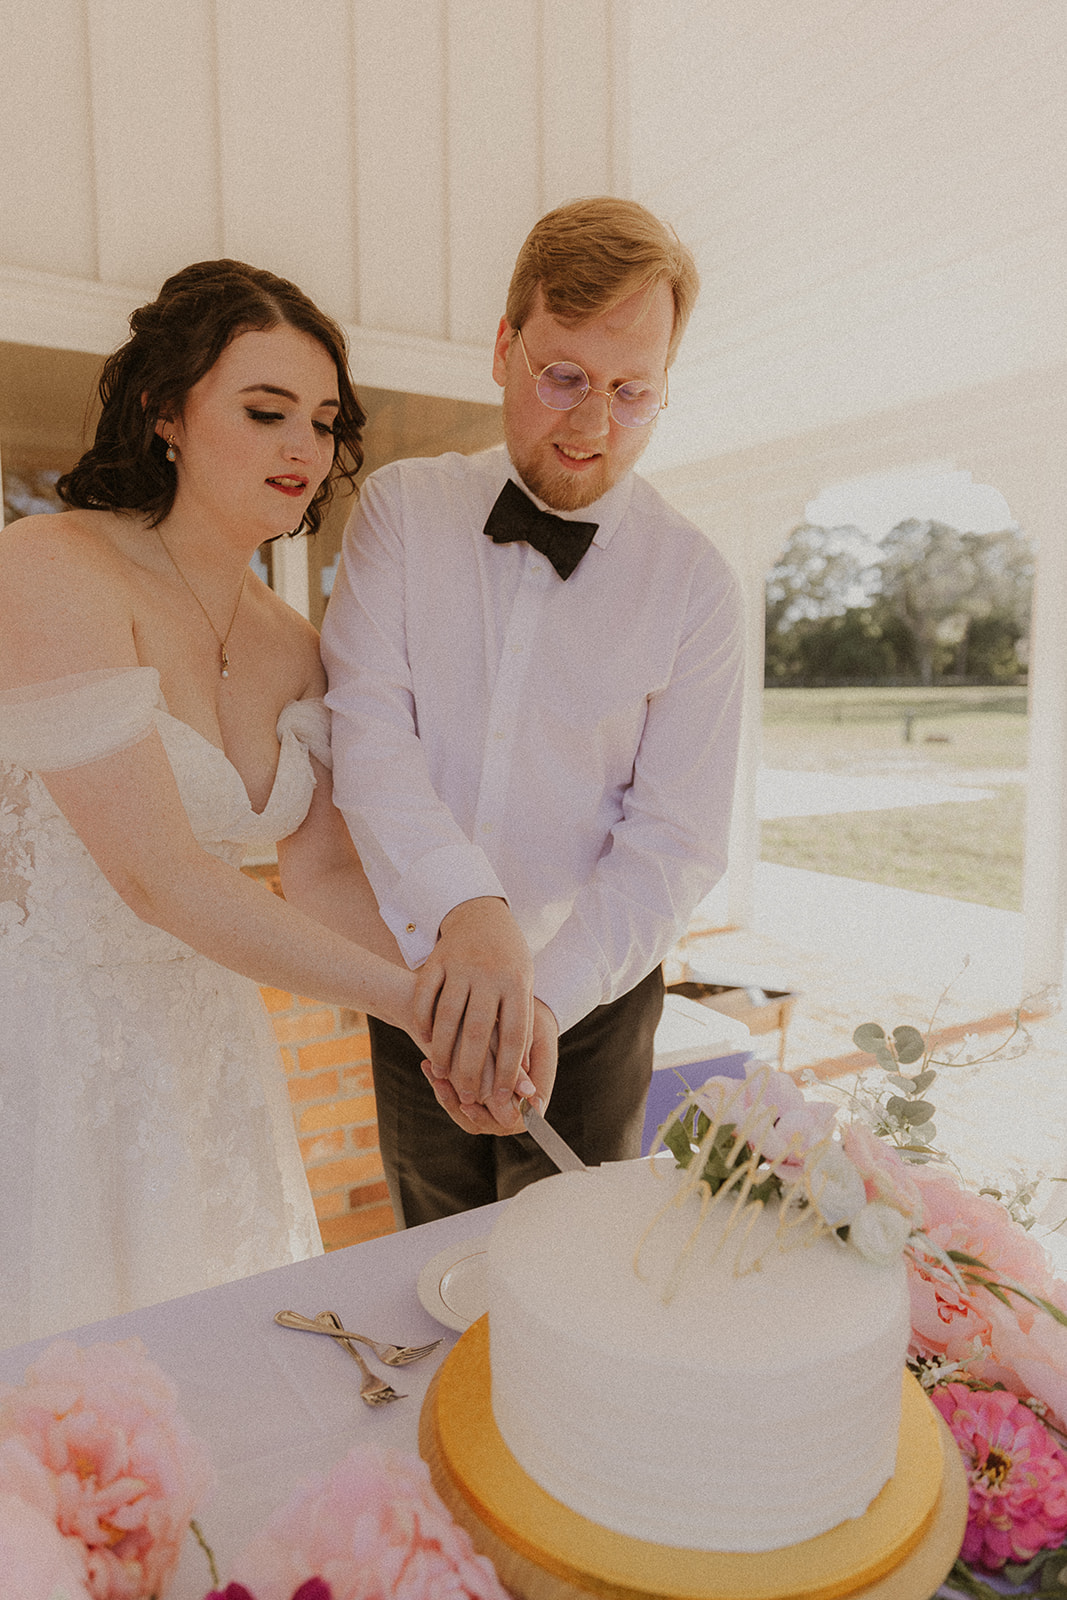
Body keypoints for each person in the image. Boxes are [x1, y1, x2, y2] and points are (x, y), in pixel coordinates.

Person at [0, 260, 468, 1349]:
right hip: (50, 1055)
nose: (302, 449)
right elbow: (158, 876)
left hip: (211, 1063)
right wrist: (408, 1004)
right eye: (265, 413)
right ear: (166, 410)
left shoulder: (295, 646)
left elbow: (325, 874)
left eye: (320, 421)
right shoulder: (47, 568)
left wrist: (449, 997)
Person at [321, 197, 745, 1227]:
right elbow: (368, 740)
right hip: (421, 974)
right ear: (503, 348)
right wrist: (468, 920)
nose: (593, 427)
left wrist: (543, 991)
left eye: (631, 393)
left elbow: (675, 840)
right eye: (563, 378)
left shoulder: (694, 583)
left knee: (568, 1257)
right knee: (429, 1242)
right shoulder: (398, 512)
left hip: (591, 994)